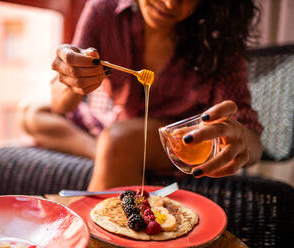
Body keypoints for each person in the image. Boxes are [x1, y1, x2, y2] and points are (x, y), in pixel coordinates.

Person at [20, 0, 263, 191]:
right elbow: (60, 104)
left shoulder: (217, 38)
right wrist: (72, 78)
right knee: (31, 113)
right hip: (110, 125)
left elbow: (251, 138)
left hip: (174, 142)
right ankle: (107, 152)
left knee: (121, 139)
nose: (169, 4)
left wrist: (239, 140)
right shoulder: (104, 11)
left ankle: (116, 150)